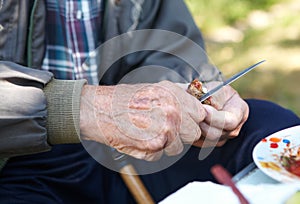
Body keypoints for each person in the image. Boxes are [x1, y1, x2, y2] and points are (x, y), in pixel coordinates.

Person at [0, 0, 299, 203]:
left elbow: (166, 40)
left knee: (274, 132)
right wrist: (79, 108)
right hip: (14, 158)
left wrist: (190, 95)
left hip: (128, 147)